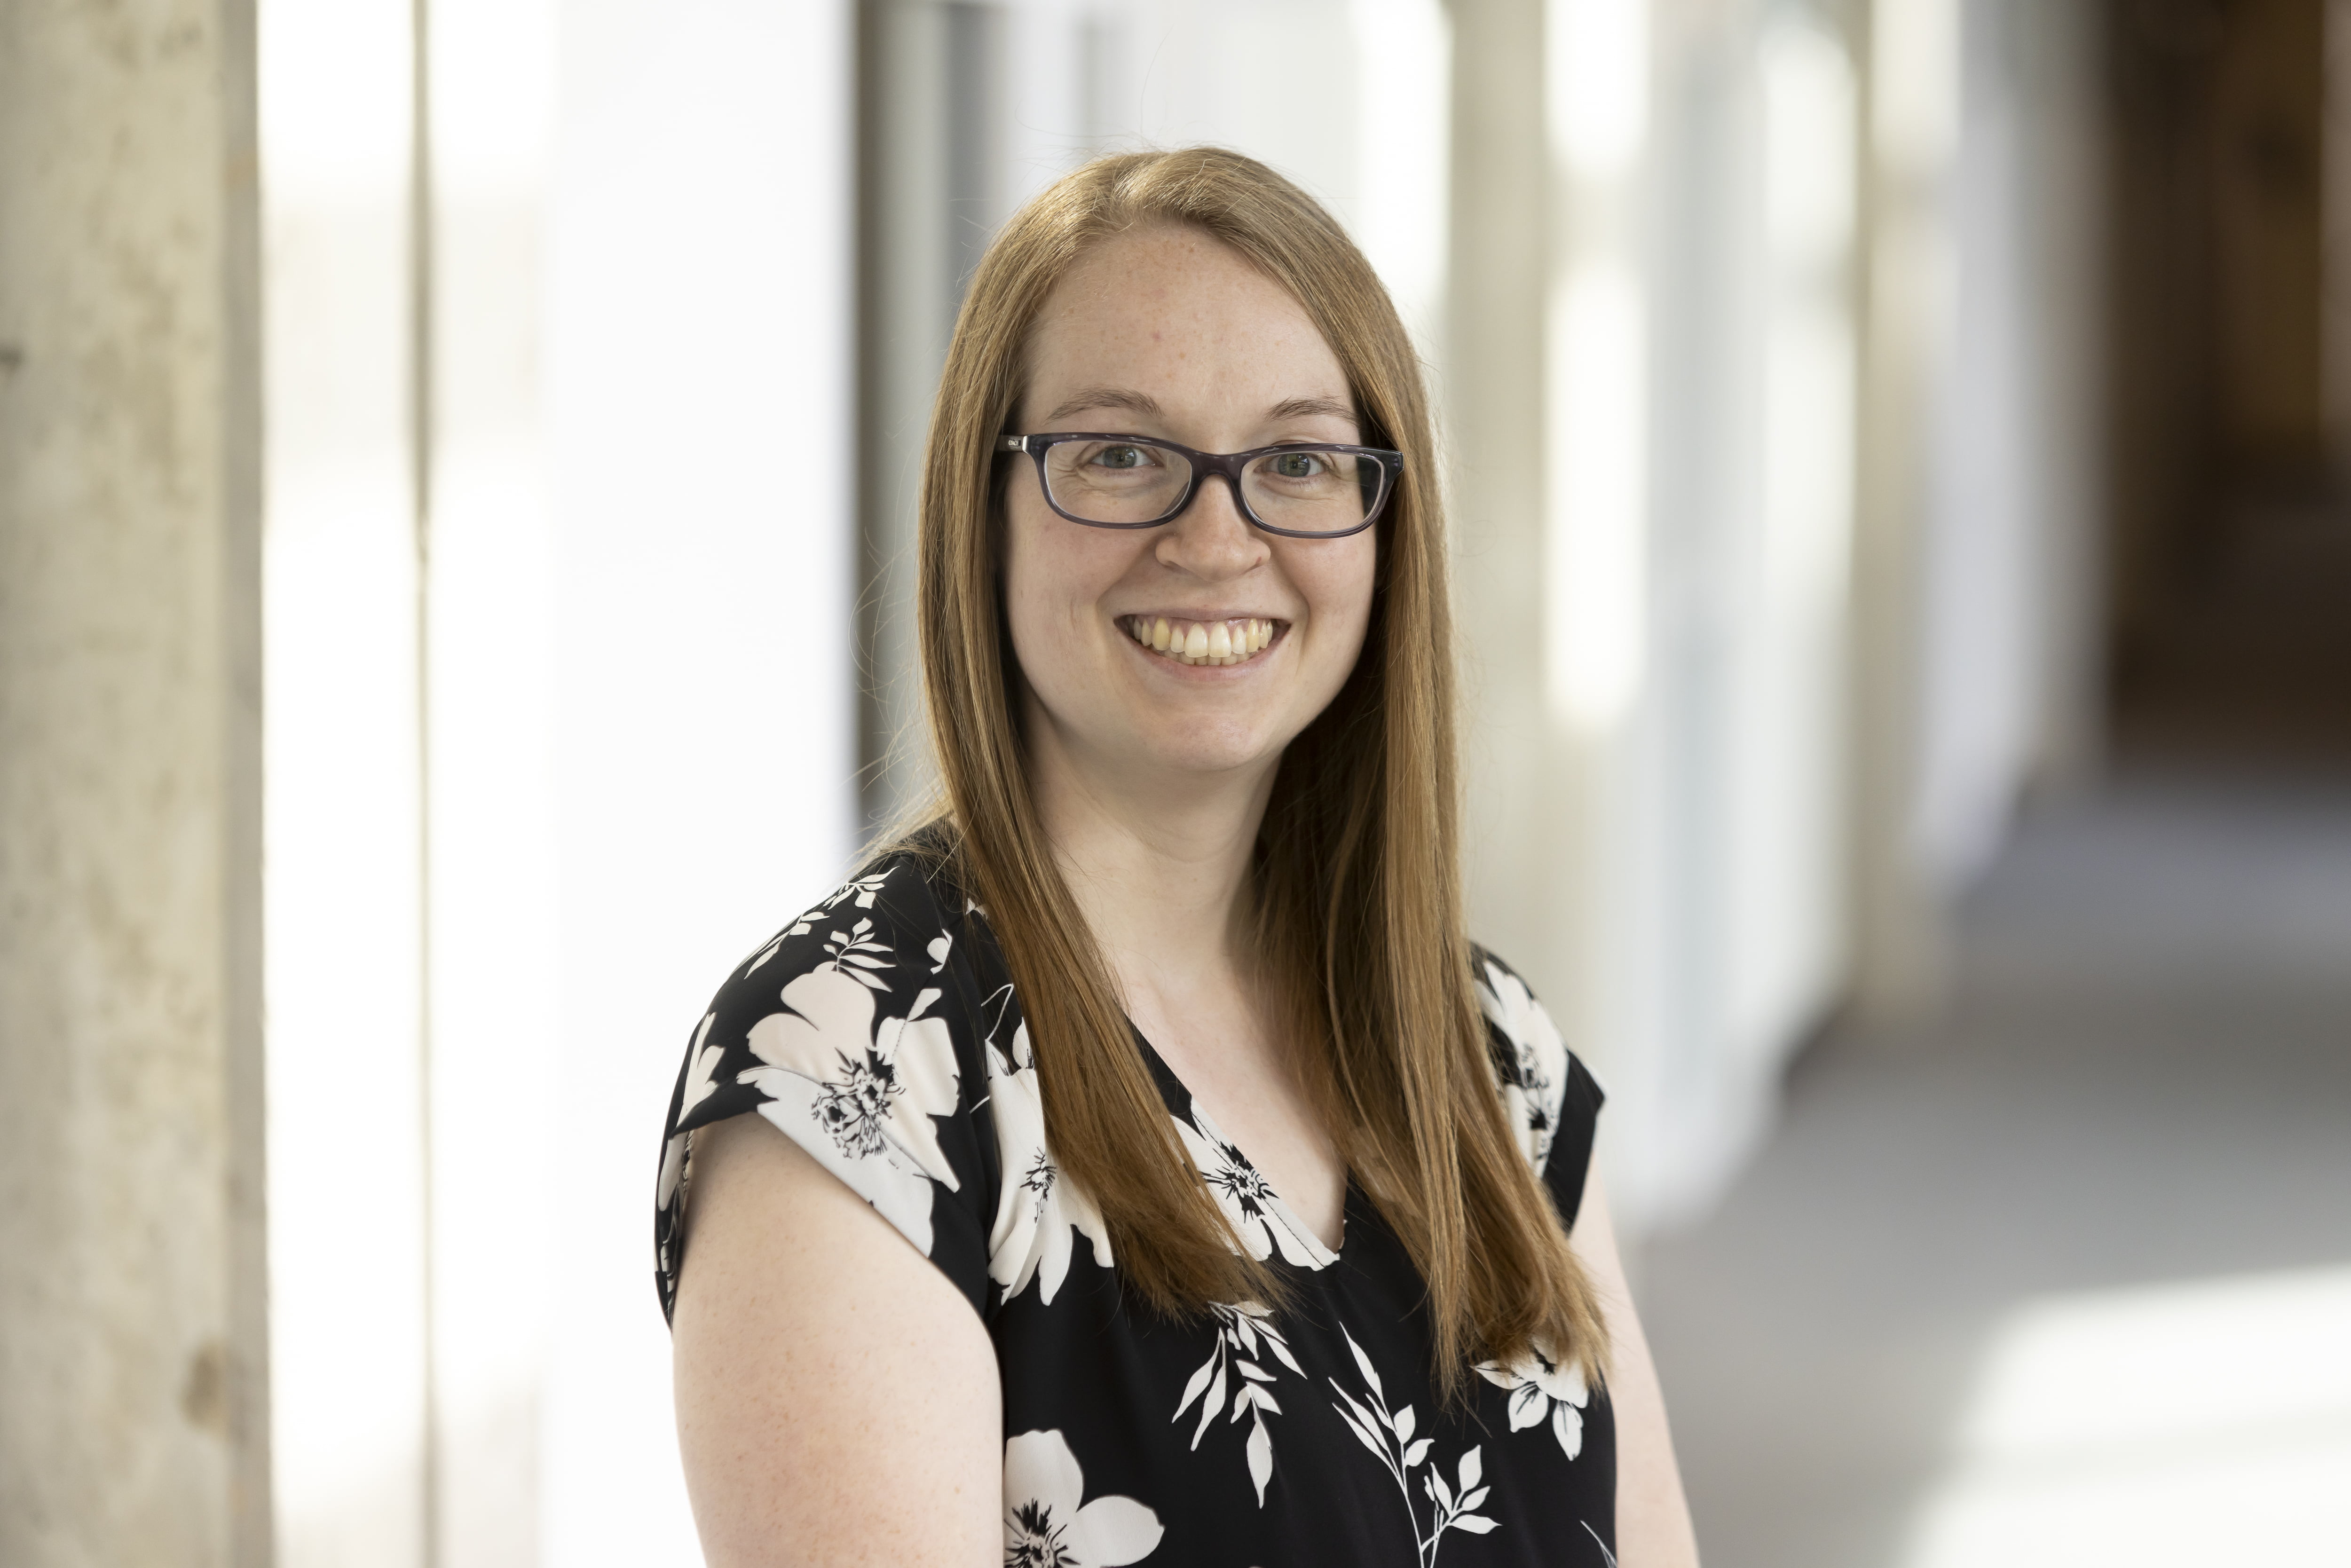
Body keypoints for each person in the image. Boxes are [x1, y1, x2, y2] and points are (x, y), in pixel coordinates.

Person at [655, 147, 1700, 1568]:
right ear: (988, 508)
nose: (1218, 537)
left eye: (1300, 461)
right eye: (1120, 454)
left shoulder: (1486, 1048)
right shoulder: (864, 1079)